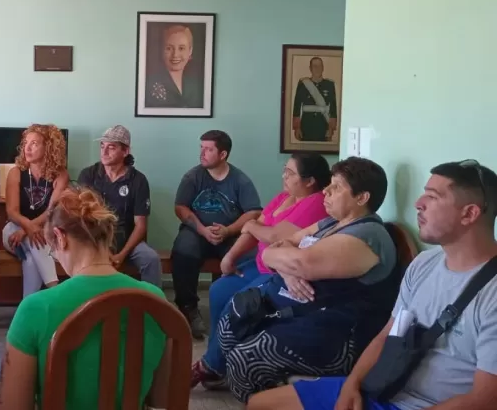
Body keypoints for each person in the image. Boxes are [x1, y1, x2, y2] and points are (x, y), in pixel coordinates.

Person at [249, 159, 497, 410]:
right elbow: (388, 334)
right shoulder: (425, 263)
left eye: (433, 197)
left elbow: (485, 400)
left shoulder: (492, 292)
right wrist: (353, 384)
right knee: (259, 404)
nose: (418, 203)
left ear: (469, 214)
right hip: (385, 388)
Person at [216, 156, 399, 402]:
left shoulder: (368, 235)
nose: (326, 191)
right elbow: (278, 247)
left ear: (362, 197)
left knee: (243, 360)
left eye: (337, 187)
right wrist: (287, 270)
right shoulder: (331, 223)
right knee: (230, 328)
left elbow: (301, 262)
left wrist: (289, 264)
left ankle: (274, 403)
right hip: (298, 312)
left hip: (336, 332)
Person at [0, 187, 170, 409]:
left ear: (60, 238)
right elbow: (163, 402)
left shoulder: (34, 309)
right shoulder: (156, 300)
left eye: (52, 251)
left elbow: (12, 405)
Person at [191, 153, 331, 389]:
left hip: (280, 272)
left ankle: (211, 366)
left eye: (290, 173)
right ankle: (221, 360)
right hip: (259, 264)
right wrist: (231, 256)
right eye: (285, 170)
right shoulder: (284, 197)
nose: (284, 176)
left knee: (237, 302)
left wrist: (253, 225)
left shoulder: (316, 202)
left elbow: (272, 234)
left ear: (310, 181)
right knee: (218, 290)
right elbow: (254, 230)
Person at [170, 129, 262, 339]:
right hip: (197, 231)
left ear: (223, 154)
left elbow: (254, 212)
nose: (202, 153)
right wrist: (202, 230)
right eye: (201, 148)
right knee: (184, 250)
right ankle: (188, 308)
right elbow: (180, 208)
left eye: (208, 149)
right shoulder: (192, 177)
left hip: (229, 232)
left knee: (249, 256)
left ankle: (239, 310)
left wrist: (229, 230)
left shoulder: (240, 180)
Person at [77, 125, 162, 287]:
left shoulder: (138, 180)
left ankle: (153, 302)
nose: (104, 152)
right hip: (95, 238)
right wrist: (101, 248)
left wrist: (122, 254)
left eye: (111, 147)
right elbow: (81, 215)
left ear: (125, 151)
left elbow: (141, 225)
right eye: (102, 146)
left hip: (127, 240)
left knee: (151, 259)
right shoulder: (88, 175)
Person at [3, 124, 69, 297]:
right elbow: (12, 212)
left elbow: (52, 211)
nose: (27, 148)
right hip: (13, 232)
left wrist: (28, 230)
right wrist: (28, 227)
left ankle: (26, 308)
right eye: (26, 143)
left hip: (44, 232)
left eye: (34, 143)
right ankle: (55, 289)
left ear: (48, 147)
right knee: (36, 240)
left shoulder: (61, 175)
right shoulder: (16, 172)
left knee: (32, 258)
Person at [145, 24, 204, 108]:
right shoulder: (150, 83)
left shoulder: (195, 85)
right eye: (169, 48)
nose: (175, 55)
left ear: (190, 51)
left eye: (181, 48)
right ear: (162, 50)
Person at [292, 56, 338, 142]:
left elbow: (333, 108)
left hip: (323, 125)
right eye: (314, 66)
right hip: (306, 125)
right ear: (310, 68)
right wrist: (297, 127)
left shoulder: (329, 85)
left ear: (323, 68)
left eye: (319, 66)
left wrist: (331, 128)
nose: (317, 69)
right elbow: (297, 106)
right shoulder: (303, 84)